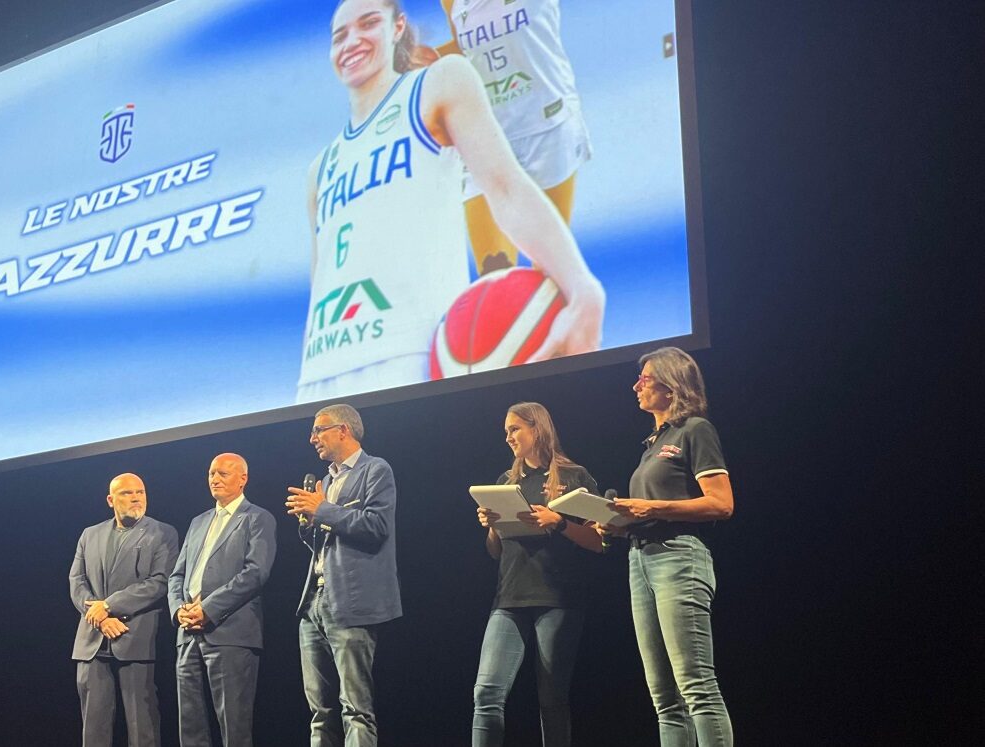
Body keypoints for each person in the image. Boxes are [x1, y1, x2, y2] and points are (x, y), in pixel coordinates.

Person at [297, 0, 605, 402]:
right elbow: (320, 284)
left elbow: (505, 187)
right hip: (320, 377)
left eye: (368, 24)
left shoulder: (437, 85)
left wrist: (582, 287)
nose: (351, 41)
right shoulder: (319, 169)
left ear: (397, 27)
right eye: (340, 36)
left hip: (410, 355)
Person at [600, 347, 734, 746]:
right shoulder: (652, 444)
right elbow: (647, 514)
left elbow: (722, 504)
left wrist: (651, 506)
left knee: (696, 686)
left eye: (645, 378)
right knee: (664, 698)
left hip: (678, 557)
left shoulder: (695, 429)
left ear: (671, 384)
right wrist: (616, 524)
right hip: (639, 560)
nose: (636, 385)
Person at [472, 402, 603, 746]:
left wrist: (558, 523)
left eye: (515, 429)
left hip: (558, 597)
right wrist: (492, 527)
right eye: (506, 432)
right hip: (509, 596)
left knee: (552, 698)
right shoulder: (506, 481)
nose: (509, 437)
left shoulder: (575, 477)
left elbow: (599, 543)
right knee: (486, 693)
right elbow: (495, 551)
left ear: (537, 428)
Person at [434, 0, 591, 276]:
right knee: (494, 279)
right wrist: (425, 60)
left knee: (551, 273)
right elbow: (465, 48)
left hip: (547, 126)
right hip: (486, 138)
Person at [285, 403, 401, 747]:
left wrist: (322, 509)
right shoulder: (324, 481)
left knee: (356, 709)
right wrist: (308, 523)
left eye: (318, 430)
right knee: (319, 712)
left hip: (351, 602)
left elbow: (377, 526)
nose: (312, 439)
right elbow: (323, 541)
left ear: (343, 430)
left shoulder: (375, 470)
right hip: (314, 604)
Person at [167, 453, 277, 747]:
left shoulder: (257, 518)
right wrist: (178, 610)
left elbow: (256, 573)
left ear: (243, 479)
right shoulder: (198, 521)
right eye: (211, 473)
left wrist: (209, 608)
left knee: (234, 726)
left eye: (223, 474)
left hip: (230, 633)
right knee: (190, 726)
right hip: (187, 633)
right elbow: (176, 575)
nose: (214, 479)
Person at [69, 472, 179, 747]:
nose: (135, 498)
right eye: (127, 493)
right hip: (92, 640)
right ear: (110, 500)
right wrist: (101, 619)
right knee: (94, 727)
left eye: (140, 492)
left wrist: (108, 606)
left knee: (142, 725)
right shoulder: (89, 534)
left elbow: (160, 582)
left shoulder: (163, 532)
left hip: (134, 635)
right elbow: (76, 582)